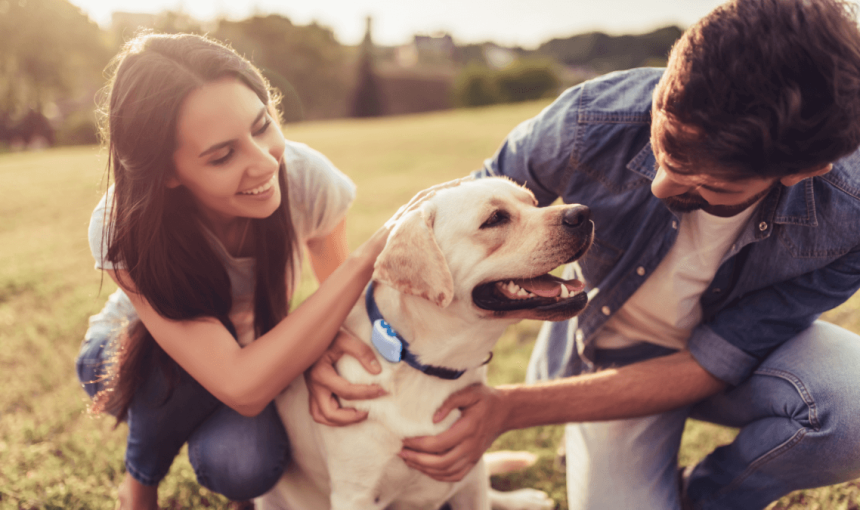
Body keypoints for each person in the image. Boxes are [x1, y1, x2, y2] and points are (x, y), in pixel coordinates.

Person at [306, 0, 860, 508]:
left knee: (854, 408)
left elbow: (715, 361)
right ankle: (575, 377)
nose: (662, 185)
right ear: (672, 76)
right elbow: (452, 216)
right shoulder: (593, 118)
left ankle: (706, 497)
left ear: (802, 171)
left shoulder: (849, 214)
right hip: (607, 344)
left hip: (736, 360)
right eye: (665, 141)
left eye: (705, 183)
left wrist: (510, 409)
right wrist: (336, 335)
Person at [75, 32, 446, 510]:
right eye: (223, 155)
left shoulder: (307, 177)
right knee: (179, 372)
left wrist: (321, 362)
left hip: (247, 351)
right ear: (167, 172)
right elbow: (242, 386)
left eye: (262, 125)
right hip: (129, 355)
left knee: (244, 461)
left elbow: (344, 314)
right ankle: (138, 488)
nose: (265, 162)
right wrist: (369, 254)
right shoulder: (121, 225)